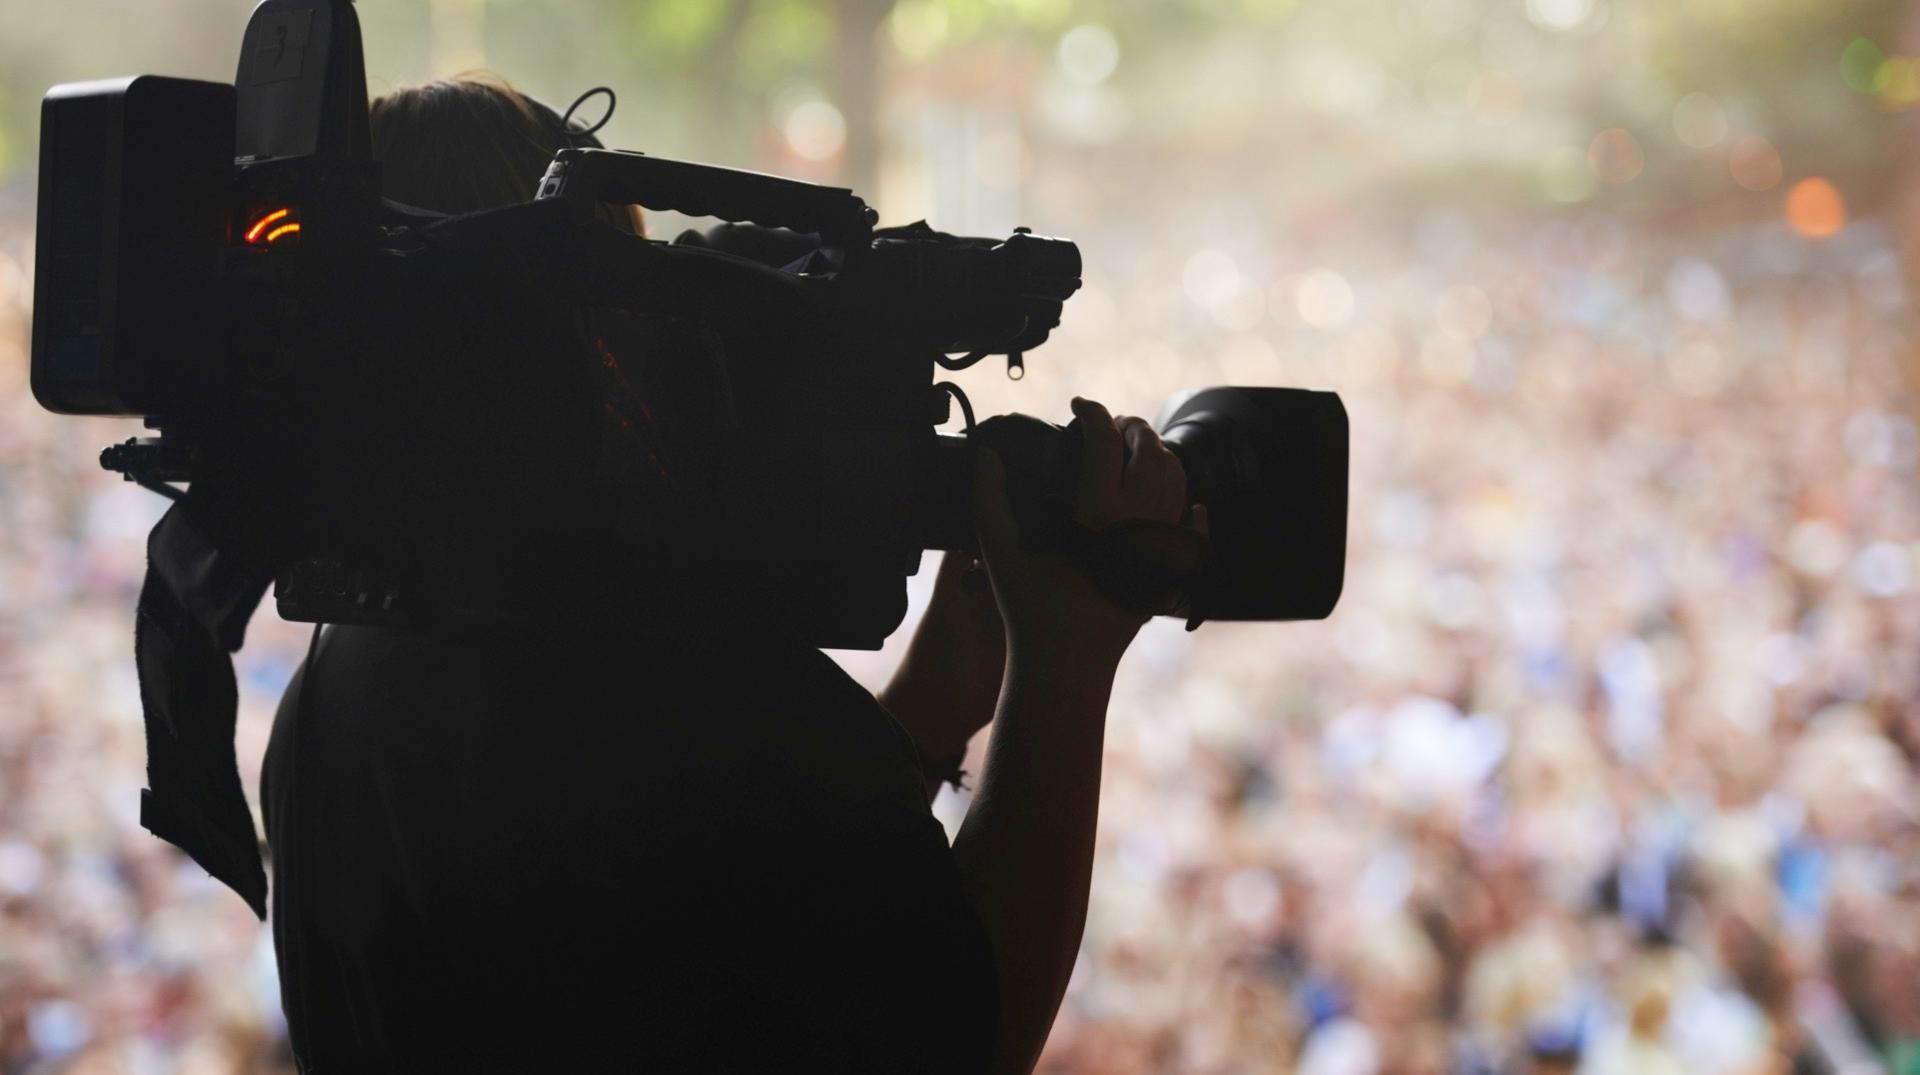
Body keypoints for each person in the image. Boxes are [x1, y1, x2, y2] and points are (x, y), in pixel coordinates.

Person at [262, 72, 1204, 1073]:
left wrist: (924, 716)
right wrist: (1065, 661)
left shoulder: (342, 673)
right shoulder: (655, 670)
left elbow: (700, 939)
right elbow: (965, 1038)